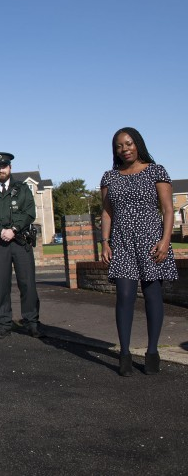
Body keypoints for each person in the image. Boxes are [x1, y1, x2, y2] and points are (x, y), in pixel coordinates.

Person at [100, 127, 177, 376]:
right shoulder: (109, 177)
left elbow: (167, 210)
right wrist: (104, 241)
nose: (125, 149)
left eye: (129, 143)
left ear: (138, 144)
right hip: (122, 242)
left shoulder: (156, 171)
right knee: (124, 296)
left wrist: (165, 241)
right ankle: (124, 353)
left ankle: (152, 351)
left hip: (152, 241)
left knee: (153, 296)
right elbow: (107, 212)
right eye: (120, 146)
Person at [0, 152, 41, 339]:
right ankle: (4, 323)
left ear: (10, 168)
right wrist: (0, 230)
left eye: (4, 166)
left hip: (20, 241)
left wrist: (14, 229)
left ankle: (31, 322)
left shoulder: (22, 189)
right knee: (2, 284)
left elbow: (30, 212)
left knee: (27, 283)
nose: (1, 170)